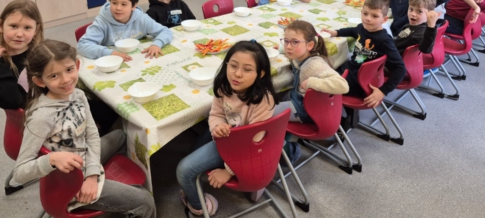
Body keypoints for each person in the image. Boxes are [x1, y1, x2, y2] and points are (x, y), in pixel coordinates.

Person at [10, 40, 156, 218]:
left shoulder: (77, 94)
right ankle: (109, 195)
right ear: (40, 81)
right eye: (54, 76)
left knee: (121, 135)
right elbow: (19, 173)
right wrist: (52, 159)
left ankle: (109, 189)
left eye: (69, 69)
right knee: (145, 200)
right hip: (71, 184)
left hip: (84, 161)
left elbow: (92, 135)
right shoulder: (41, 118)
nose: (66, 80)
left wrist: (92, 174)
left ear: (77, 65)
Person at [176, 41, 277, 216]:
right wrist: (217, 126)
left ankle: (198, 207)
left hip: (244, 148)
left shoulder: (263, 100)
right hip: (230, 136)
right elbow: (216, 114)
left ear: (260, 74)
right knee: (192, 153)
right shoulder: (224, 85)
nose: (237, 74)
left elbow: (253, 145)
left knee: (184, 171)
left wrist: (229, 171)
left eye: (247, 69)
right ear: (226, 64)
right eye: (233, 66)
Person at [324, 0, 406, 126]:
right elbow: (353, 31)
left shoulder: (384, 40)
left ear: (384, 19)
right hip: (354, 69)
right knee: (332, 66)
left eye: (374, 16)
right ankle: (349, 113)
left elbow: (400, 69)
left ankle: (339, 120)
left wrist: (383, 91)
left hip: (360, 82)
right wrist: (336, 32)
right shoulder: (363, 28)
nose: (367, 18)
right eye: (365, 13)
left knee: (322, 84)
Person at [274, 20, 348, 161]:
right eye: (286, 41)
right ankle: (287, 135)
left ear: (310, 45)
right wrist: (282, 49)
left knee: (262, 114)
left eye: (295, 42)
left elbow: (343, 85)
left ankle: (289, 150)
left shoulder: (313, 65)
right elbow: (291, 49)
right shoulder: (301, 54)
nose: (289, 46)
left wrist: (312, 82)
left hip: (305, 110)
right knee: (273, 97)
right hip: (302, 100)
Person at [77, 0, 173, 61]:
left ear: (133, 6)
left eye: (124, 4)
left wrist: (156, 44)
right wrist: (109, 53)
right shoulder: (102, 22)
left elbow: (165, 31)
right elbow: (83, 45)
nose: (118, 8)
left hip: (138, 58)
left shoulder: (141, 19)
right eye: (114, 3)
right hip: (112, 60)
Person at [0, 0, 43, 110]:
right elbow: (12, 101)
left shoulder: (41, 53)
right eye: (14, 26)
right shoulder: (2, 61)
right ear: (1, 26)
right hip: (25, 116)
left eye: (27, 28)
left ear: (36, 30)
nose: (19, 34)